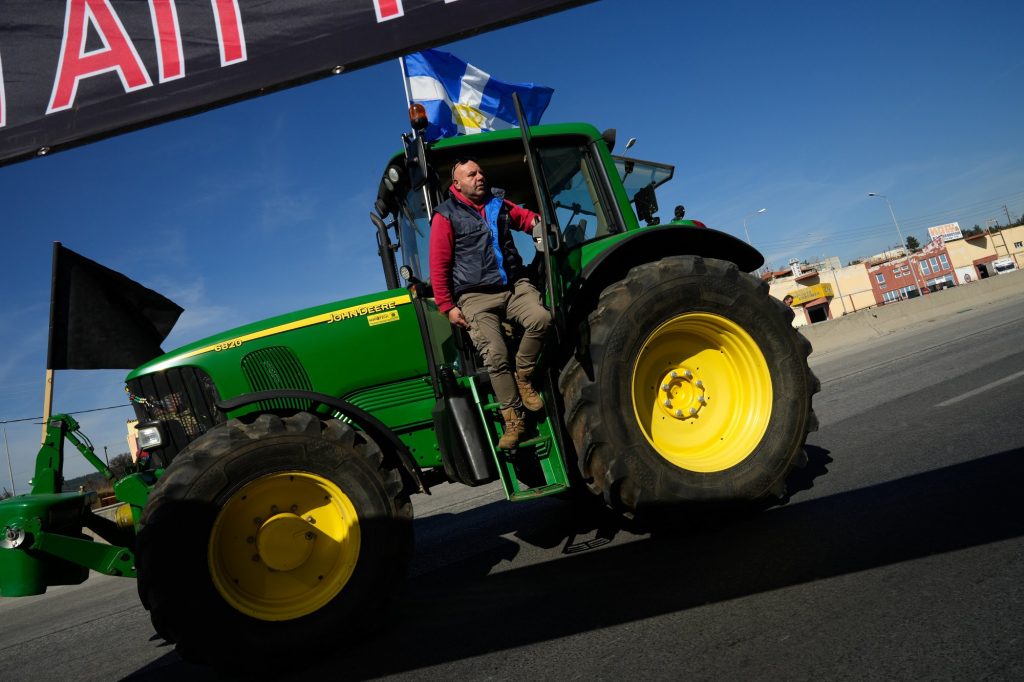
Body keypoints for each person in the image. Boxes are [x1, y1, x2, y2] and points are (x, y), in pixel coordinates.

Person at [429, 158, 552, 450]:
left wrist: (539, 223)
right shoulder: (445, 216)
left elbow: (526, 219)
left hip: (513, 285)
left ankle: (523, 376)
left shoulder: (499, 203)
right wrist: (448, 306)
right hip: (474, 296)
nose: (479, 177)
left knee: (541, 319)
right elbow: (439, 263)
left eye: (481, 172)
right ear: (456, 184)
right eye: (472, 174)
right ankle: (514, 421)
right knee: (495, 355)